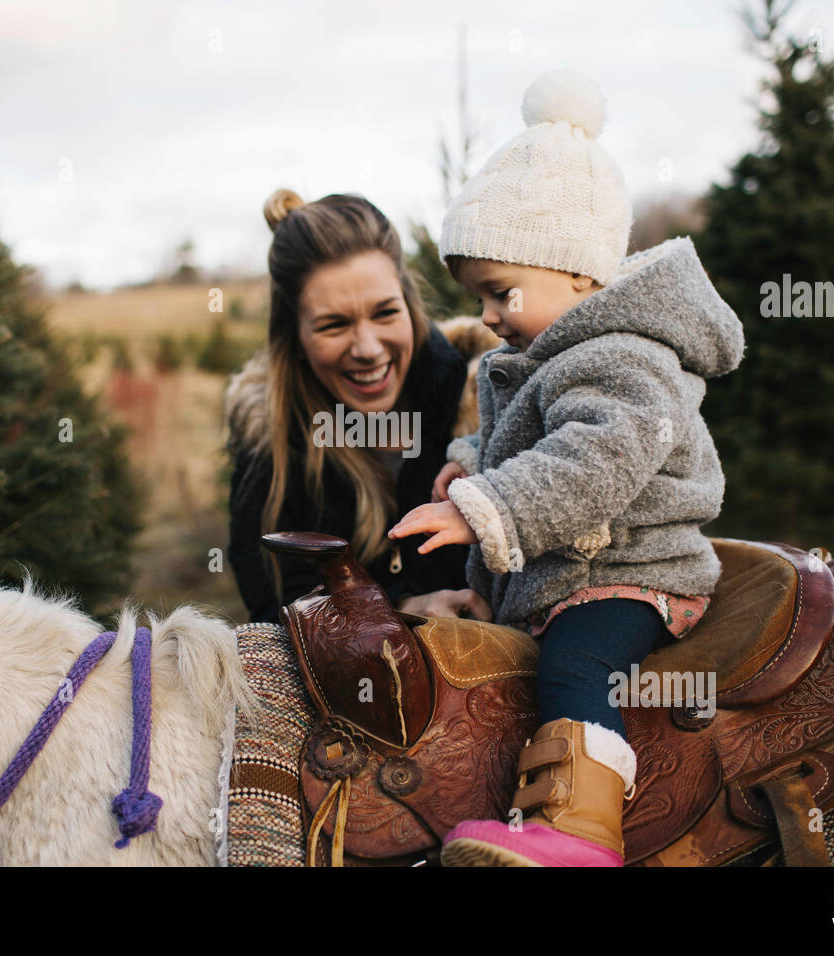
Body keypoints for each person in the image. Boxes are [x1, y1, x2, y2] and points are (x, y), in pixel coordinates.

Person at [389, 69, 745, 866]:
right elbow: (530, 441)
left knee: (580, 660)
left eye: (498, 291)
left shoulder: (623, 357)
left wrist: (487, 510)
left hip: (633, 572)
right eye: (477, 295)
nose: (485, 315)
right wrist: (468, 465)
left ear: (579, 274)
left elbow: (596, 459)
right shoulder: (553, 357)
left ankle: (579, 829)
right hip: (570, 568)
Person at [226, 189, 493, 624]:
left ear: (410, 306)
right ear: (294, 337)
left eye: (385, 313)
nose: (368, 349)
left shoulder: (491, 406)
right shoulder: (270, 446)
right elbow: (277, 611)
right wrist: (398, 614)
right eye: (334, 324)